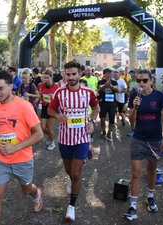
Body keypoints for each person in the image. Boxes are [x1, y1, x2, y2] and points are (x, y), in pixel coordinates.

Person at [0, 70, 44, 225]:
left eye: (0, 88)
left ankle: (36, 193)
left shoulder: (24, 106)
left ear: (11, 86)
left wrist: (15, 147)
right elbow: (4, 130)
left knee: (26, 189)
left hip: (22, 159)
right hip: (2, 159)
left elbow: (39, 134)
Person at [48, 61, 99, 221]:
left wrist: (92, 121)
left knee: (76, 174)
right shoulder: (59, 93)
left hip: (82, 138)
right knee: (69, 171)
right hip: (64, 139)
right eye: (68, 74)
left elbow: (96, 108)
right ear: (65, 75)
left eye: (74, 74)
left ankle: (71, 206)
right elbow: (50, 109)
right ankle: (73, 176)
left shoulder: (88, 92)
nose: (71, 77)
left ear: (80, 74)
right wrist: (57, 116)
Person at [124, 69, 163, 221]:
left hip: (155, 140)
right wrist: (135, 107)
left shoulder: (159, 96)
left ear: (151, 81)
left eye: (144, 80)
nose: (141, 83)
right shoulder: (134, 96)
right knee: (136, 172)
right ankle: (133, 206)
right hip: (139, 139)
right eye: (138, 81)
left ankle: (150, 197)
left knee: (151, 171)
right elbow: (131, 119)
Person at [38, 68, 59, 150]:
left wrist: (53, 96)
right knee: (43, 128)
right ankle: (50, 136)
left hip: (53, 108)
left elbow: (59, 99)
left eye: (47, 78)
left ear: (51, 78)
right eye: (44, 78)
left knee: (49, 128)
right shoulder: (41, 85)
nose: (45, 79)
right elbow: (40, 95)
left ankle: (52, 142)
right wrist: (39, 96)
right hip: (44, 107)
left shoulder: (56, 86)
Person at [97, 68, 119, 141]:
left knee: (112, 119)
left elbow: (117, 89)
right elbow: (99, 88)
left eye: (110, 73)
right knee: (102, 119)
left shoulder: (114, 82)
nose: (109, 74)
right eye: (108, 73)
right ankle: (103, 132)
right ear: (104, 74)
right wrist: (105, 85)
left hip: (112, 104)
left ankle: (109, 132)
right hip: (102, 103)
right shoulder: (100, 81)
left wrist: (111, 86)